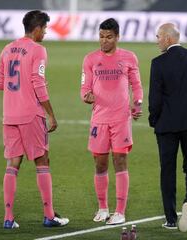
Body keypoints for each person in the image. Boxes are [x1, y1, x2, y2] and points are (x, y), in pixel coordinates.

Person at [0, 10, 69, 229]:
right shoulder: (38, 50)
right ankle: (49, 215)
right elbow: (38, 83)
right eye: (45, 28)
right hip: (31, 115)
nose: (46, 33)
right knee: (42, 162)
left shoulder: (7, 49)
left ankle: (8, 218)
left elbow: (0, 82)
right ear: (37, 28)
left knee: (12, 165)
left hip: (9, 115)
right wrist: (50, 114)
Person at [148, 23, 187, 232]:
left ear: (167, 38)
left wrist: (153, 119)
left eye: (158, 37)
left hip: (167, 125)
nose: (157, 40)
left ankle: (170, 218)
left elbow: (155, 97)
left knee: (167, 170)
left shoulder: (158, 63)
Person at [80, 18, 143, 225]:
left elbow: (137, 85)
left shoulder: (128, 57)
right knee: (100, 163)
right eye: (101, 36)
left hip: (121, 118)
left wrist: (138, 103)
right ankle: (103, 208)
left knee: (120, 161)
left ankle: (120, 211)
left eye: (108, 37)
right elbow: (84, 88)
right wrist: (86, 96)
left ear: (117, 37)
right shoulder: (90, 59)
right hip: (99, 118)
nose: (104, 41)